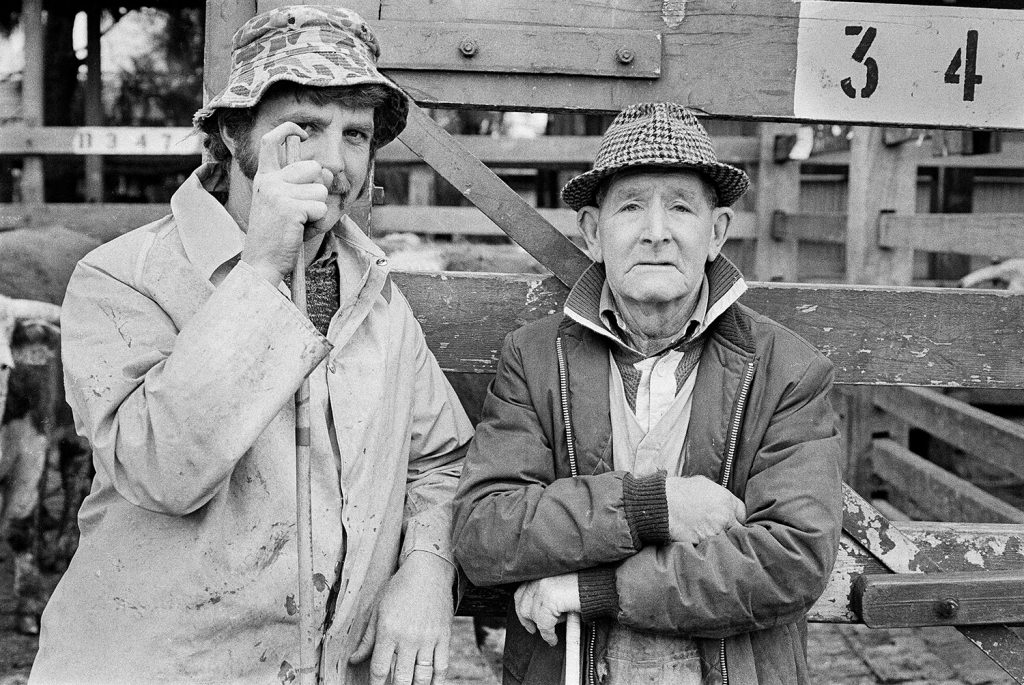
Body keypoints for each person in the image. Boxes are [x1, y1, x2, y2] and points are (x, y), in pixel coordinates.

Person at [31, 6, 473, 684]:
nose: (334, 162)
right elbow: (158, 467)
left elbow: (439, 457)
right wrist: (261, 268)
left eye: (355, 134)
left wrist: (427, 565)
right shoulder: (124, 278)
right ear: (235, 133)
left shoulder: (378, 299)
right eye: (305, 130)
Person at [452, 102, 843, 684]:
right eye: (631, 206)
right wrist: (653, 507)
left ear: (716, 233)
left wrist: (597, 589)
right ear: (593, 231)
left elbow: (791, 559)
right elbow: (486, 531)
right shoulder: (534, 359)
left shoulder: (787, 369)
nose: (656, 231)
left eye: (681, 207)